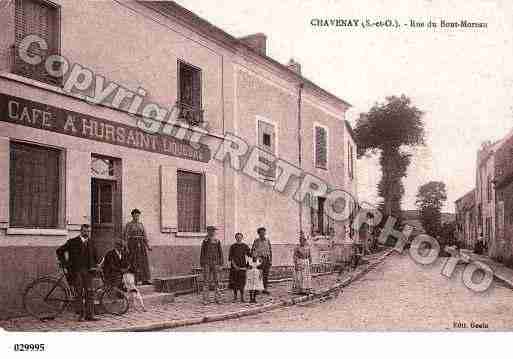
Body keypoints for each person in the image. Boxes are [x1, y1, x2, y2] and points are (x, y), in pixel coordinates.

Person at [56, 224, 100, 322]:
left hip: (88, 271)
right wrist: (65, 263)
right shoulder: (73, 242)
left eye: (88, 231)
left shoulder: (91, 242)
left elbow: (95, 255)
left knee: (90, 293)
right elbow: (59, 250)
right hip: (77, 271)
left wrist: (96, 265)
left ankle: (90, 315)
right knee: (79, 293)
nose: (87, 233)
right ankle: (80, 315)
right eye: (85, 231)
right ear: (81, 231)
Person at [124, 208, 152, 285]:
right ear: (132, 216)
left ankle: (145, 279)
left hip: (141, 245)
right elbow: (126, 236)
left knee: (143, 262)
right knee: (134, 262)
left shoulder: (141, 225)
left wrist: (148, 246)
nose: (137, 217)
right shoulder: (129, 225)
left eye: (138, 216)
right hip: (132, 245)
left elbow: (145, 236)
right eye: (135, 216)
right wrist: (126, 247)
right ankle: (135, 280)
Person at [200, 226, 224, 304]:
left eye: (213, 231)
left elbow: (220, 253)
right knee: (206, 281)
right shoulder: (205, 241)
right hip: (206, 263)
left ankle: (218, 298)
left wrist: (221, 263)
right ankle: (206, 299)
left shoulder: (217, 241)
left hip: (216, 263)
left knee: (217, 281)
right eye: (210, 231)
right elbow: (202, 253)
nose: (212, 232)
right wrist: (202, 263)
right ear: (207, 232)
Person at [228, 232, 251, 302]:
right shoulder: (233, 246)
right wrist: (234, 266)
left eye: (240, 237)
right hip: (234, 267)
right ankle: (235, 297)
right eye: (237, 237)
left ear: (242, 238)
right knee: (234, 282)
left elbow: (250, 255)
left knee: (242, 282)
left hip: (242, 266)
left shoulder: (245, 246)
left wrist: (247, 266)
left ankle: (242, 297)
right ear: (235, 238)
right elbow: (230, 257)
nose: (238, 238)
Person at [251, 227, 272, 294]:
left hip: (266, 259)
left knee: (266, 274)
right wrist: (255, 259)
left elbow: (270, 250)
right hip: (259, 259)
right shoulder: (256, 241)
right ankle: (257, 289)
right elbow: (253, 250)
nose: (263, 234)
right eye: (261, 232)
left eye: (264, 232)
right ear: (259, 233)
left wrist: (270, 260)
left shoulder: (267, 240)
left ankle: (265, 289)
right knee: (258, 274)